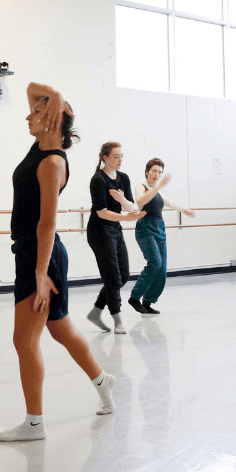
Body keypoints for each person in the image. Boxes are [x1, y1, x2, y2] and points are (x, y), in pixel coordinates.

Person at [0, 82, 115, 442]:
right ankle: (102, 380)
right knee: (60, 328)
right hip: (37, 251)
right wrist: (49, 107)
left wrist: (41, 273)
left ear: (52, 118)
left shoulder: (51, 162)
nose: (29, 114)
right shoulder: (41, 146)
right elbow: (33, 87)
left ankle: (34, 423)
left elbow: (48, 222)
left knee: (23, 339)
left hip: (39, 252)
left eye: (37, 112)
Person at [85, 142, 145, 335]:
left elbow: (131, 208)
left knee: (124, 274)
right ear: (105, 158)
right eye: (115, 157)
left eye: (121, 156)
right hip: (99, 231)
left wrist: (121, 201)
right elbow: (101, 213)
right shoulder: (98, 180)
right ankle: (117, 319)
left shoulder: (123, 178)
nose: (119, 160)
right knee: (112, 277)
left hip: (115, 229)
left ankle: (95, 311)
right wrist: (125, 217)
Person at [125, 158, 195, 315]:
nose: (157, 174)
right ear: (147, 172)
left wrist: (184, 210)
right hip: (145, 228)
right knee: (155, 262)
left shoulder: (156, 190)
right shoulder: (140, 186)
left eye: (160, 172)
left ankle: (148, 302)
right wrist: (158, 186)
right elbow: (141, 202)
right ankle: (135, 297)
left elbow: (169, 202)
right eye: (154, 171)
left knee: (162, 269)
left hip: (159, 228)